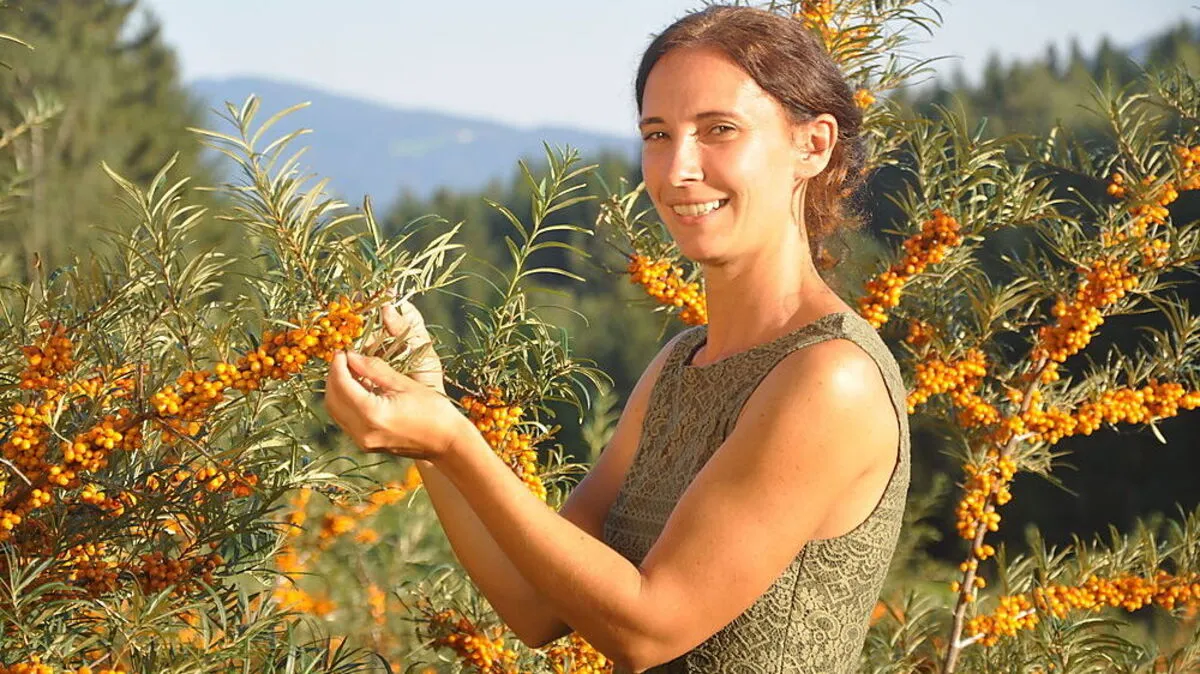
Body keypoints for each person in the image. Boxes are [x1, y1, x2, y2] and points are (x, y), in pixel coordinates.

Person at [324, 5, 910, 673]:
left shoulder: (831, 379)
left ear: (813, 145)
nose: (678, 168)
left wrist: (455, 439)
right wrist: (433, 437)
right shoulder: (678, 366)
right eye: (657, 135)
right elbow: (535, 607)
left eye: (719, 130)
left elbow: (648, 631)